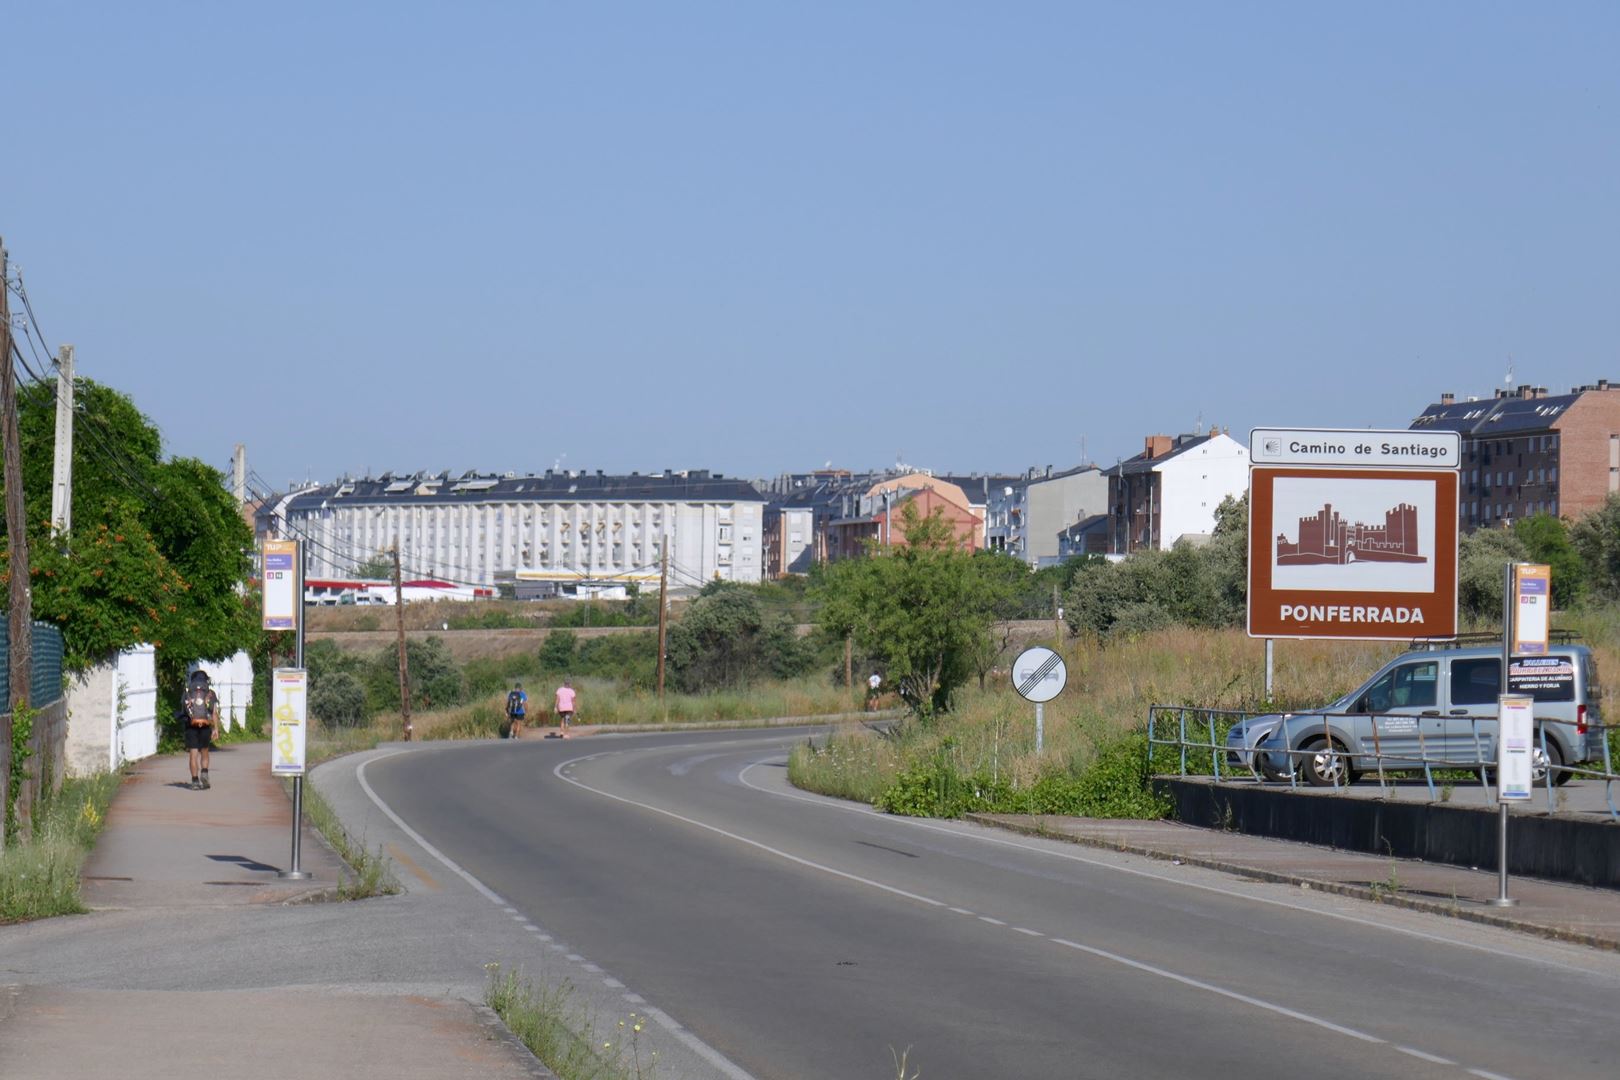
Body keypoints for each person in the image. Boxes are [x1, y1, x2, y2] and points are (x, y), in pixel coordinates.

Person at [181, 670, 220, 790]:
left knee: (193, 754)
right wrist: (215, 729)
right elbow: (214, 713)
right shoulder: (210, 693)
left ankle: (194, 781)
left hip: (191, 726)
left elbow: (183, 712)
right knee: (204, 751)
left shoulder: (187, 693)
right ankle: (204, 772)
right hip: (205, 725)